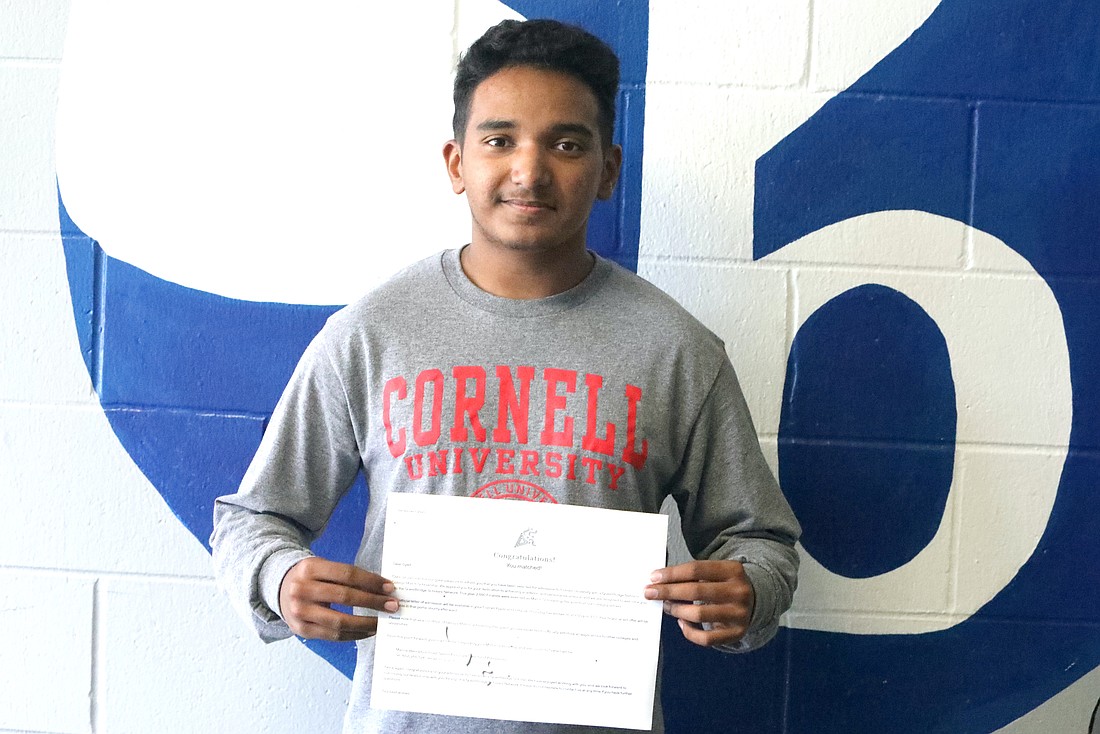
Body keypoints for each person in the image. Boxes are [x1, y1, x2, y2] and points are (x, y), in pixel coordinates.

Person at [211, 18, 801, 733]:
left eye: (566, 144)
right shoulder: (370, 334)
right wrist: (278, 578)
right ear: (456, 162)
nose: (529, 170)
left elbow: (761, 542)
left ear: (608, 169)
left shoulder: (677, 350)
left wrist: (748, 591)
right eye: (499, 140)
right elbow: (252, 519)